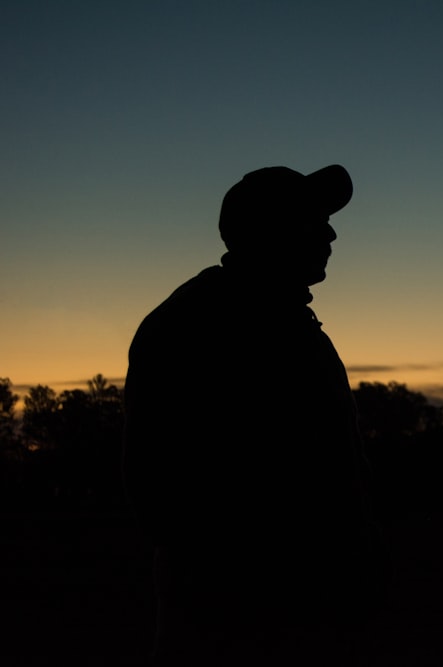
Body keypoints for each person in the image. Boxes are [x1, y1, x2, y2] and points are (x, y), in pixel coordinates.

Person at [122, 165, 383, 665]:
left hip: (302, 615)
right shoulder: (197, 324)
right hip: (241, 623)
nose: (331, 231)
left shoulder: (290, 323)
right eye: (313, 218)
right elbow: (159, 489)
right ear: (271, 229)